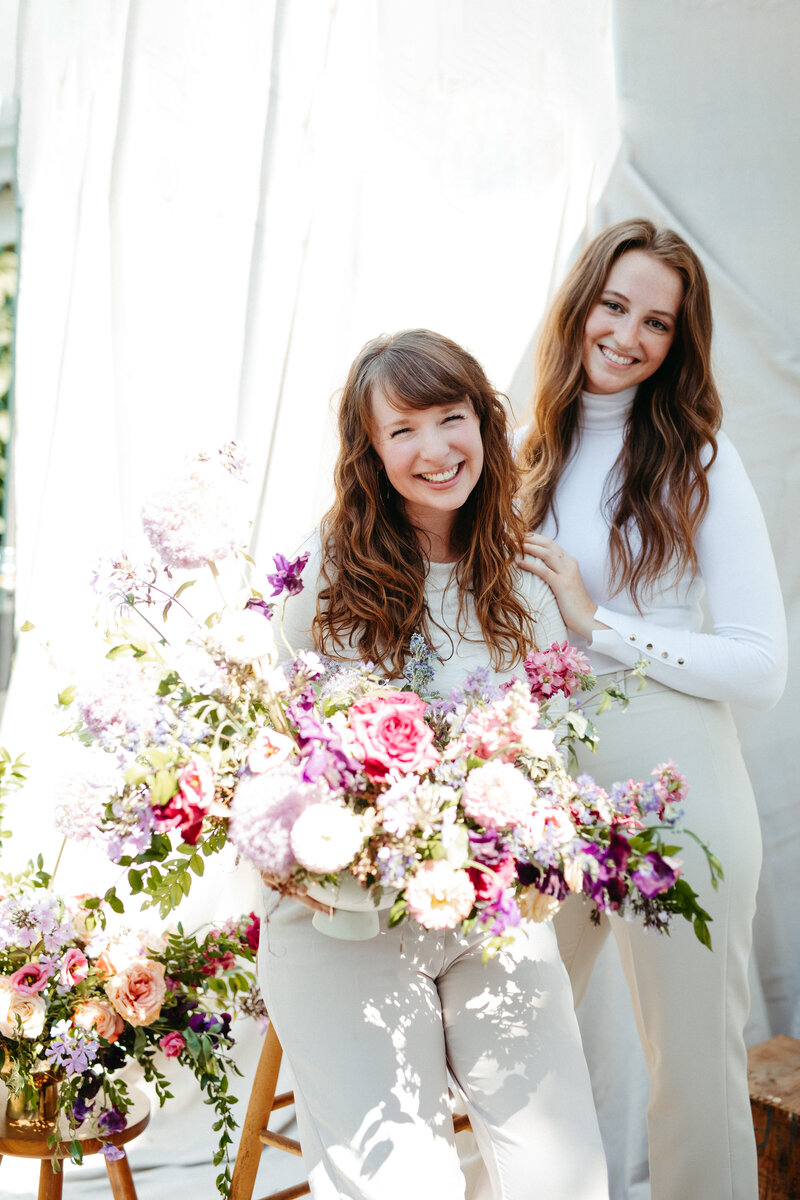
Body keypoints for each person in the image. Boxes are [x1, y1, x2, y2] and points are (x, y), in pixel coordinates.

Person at [257, 329, 609, 1200]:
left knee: (559, 1174)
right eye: (402, 429)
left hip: (487, 919)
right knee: (405, 1184)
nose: (434, 449)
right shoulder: (326, 577)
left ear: (484, 426)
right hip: (347, 927)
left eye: (451, 418)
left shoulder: (524, 580)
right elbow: (282, 757)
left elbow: (554, 747)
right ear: (370, 451)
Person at [517, 219, 787, 1200]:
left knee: (689, 1081)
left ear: (678, 343)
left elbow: (762, 668)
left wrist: (601, 624)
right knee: (507, 1042)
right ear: (579, 302)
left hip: (675, 784)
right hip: (548, 793)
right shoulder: (523, 453)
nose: (627, 335)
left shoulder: (695, 461)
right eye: (613, 305)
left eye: (657, 323)